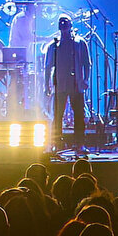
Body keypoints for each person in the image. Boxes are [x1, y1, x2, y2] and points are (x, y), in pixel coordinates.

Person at [44, 13, 92, 150]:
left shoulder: (79, 43)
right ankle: (57, 143)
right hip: (60, 84)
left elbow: (87, 63)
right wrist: (46, 85)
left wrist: (85, 80)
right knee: (58, 115)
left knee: (79, 115)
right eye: (61, 24)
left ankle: (80, 143)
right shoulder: (54, 45)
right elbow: (48, 67)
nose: (64, 26)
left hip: (76, 84)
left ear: (71, 25)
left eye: (66, 23)